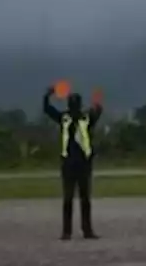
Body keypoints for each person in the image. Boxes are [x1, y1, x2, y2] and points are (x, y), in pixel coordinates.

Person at [43, 86, 103, 240]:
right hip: (69, 162)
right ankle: (67, 231)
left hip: (83, 162)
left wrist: (97, 103)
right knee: (69, 198)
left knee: (84, 199)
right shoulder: (65, 119)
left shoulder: (84, 118)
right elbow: (48, 110)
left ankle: (86, 230)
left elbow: (97, 112)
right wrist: (47, 96)